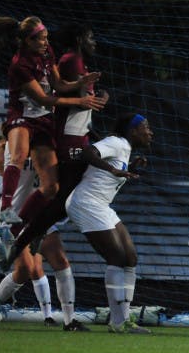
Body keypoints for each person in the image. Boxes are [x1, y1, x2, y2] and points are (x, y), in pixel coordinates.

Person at [0, 23, 106, 275]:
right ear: (26, 41)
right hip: (23, 117)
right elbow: (44, 99)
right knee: (17, 155)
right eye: (40, 39)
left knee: (52, 188)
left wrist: (81, 83)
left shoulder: (49, 54)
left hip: (45, 123)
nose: (46, 43)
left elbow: (57, 85)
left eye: (47, 38)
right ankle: (6, 213)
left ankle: (17, 233)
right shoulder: (20, 65)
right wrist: (80, 99)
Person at [65, 112, 153, 334]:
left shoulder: (125, 148)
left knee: (130, 258)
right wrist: (113, 169)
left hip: (101, 205)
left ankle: (124, 317)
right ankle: (119, 322)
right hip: (86, 203)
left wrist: (129, 168)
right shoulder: (116, 142)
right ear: (133, 131)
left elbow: (108, 176)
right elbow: (88, 152)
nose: (150, 131)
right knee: (117, 257)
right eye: (146, 127)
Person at [0, 133, 87, 330]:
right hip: (16, 217)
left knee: (61, 262)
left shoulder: (47, 149)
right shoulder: (16, 150)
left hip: (40, 216)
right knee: (25, 270)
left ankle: (69, 321)